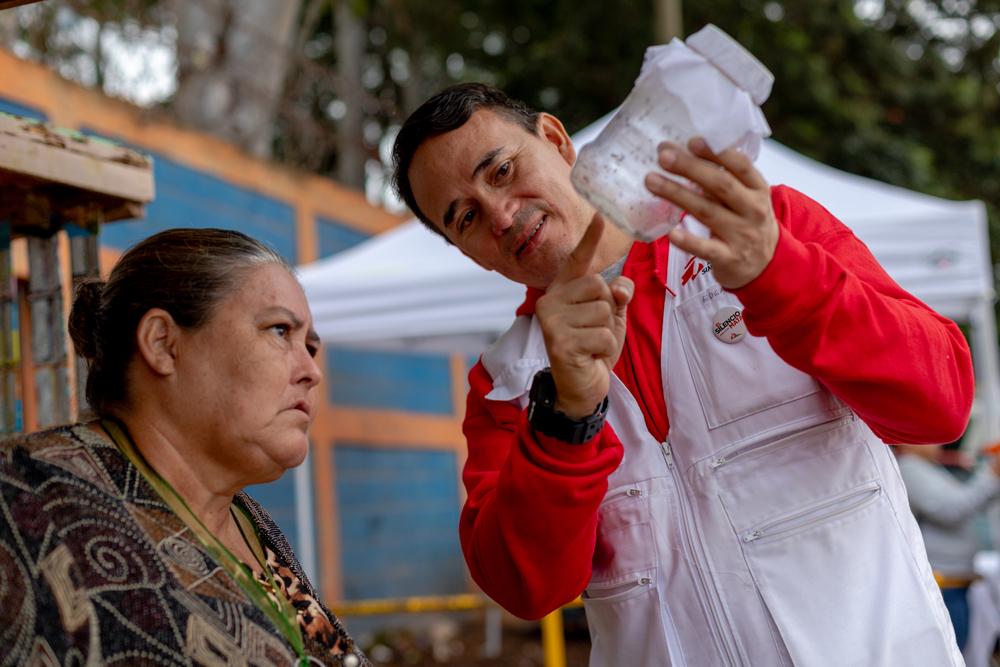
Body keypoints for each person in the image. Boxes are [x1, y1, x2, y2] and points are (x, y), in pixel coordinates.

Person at [391, 82, 975, 665]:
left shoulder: (756, 232)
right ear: (463, 249)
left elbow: (940, 403)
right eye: (465, 218)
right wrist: (567, 419)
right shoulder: (508, 384)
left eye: (501, 171)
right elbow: (528, 589)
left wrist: (783, 279)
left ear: (555, 139)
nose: (502, 214)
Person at [0, 229, 367, 666]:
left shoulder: (248, 522)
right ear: (163, 344)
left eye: (310, 346)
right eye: (279, 330)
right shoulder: (25, 499)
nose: (311, 371)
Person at [896, 441, 1000, 651]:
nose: (937, 441)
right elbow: (951, 509)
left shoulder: (925, 467)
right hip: (943, 582)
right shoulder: (909, 468)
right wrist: (992, 475)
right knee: (950, 650)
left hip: (952, 580)